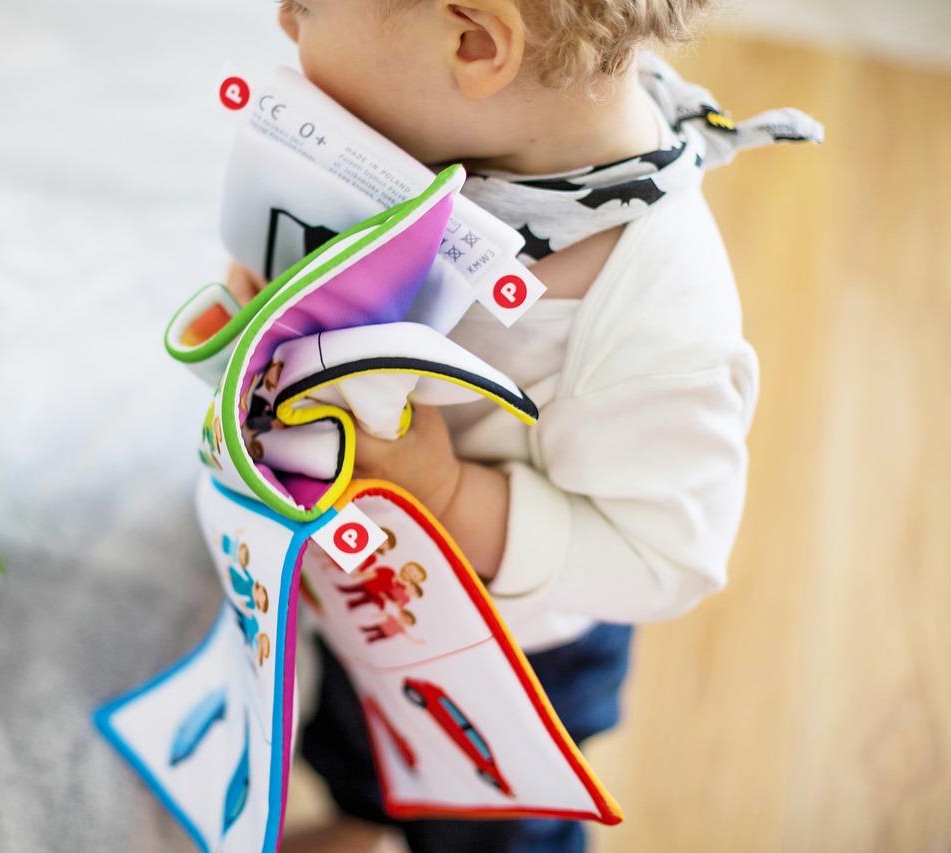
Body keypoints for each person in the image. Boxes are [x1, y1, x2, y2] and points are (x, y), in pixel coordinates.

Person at [222, 1, 819, 850]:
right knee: (356, 742)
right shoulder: (445, 125)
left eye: (310, 4)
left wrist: (447, 493)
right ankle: (365, 817)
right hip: (365, 598)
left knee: (487, 827)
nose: (285, 20)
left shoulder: (659, 323)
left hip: (510, 660)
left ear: (475, 42)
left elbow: (667, 558)